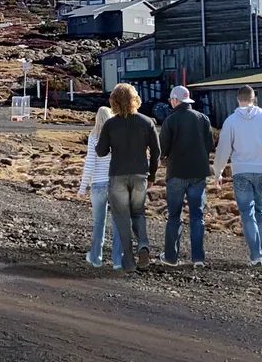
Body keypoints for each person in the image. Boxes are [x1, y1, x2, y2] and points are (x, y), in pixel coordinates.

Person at [210, 85, 262, 266]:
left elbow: (222, 150)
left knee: (247, 214)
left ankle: (256, 254)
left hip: (241, 172)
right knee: (260, 211)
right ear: (254, 99)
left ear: (238, 99)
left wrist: (218, 172)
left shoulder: (230, 121)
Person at [92, 82, 160, 272]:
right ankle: (143, 246)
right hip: (140, 175)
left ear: (114, 101)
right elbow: (156, 151)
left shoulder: (110, 125)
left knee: (121, 217)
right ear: (134, 99)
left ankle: (128, 261)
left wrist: (103, 140)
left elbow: (101, 152)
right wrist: (152, 175)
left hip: (117, 176)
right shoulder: (147, 122)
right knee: (138, 213)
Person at [157, 84, 215, 266]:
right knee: (197, 216)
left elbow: (163, 149)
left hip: (176, 173)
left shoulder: (170, 120)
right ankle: (198, 258)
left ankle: (171, 257)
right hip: (198, 173)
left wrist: (163, 158)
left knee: (174, 216)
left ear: (175, 100)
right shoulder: (203, 118)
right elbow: (209, 145)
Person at [77, 105, 122, 269]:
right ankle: (118, 260)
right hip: (116, 184)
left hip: (97, 184)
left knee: (99, 223)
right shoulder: (118, 135)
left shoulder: (94, 136)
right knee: (118, 222)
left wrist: (82, 188)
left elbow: (89, 163)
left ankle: (96, 257)